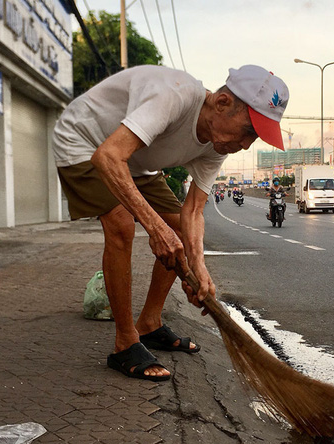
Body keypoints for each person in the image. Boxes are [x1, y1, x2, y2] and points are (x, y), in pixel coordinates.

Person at [53, 64, 289, 381]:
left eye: (255, 138)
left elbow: (192, 211)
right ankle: (125, 341)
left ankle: (149, 323)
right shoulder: (173, 96)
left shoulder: (218, 145)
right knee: (122, 223)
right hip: (86, 143)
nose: (246, 145)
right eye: (248, 131)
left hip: (136, 160)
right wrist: (154, 228)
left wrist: (199, 267)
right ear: (222, 103)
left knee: (176, 226)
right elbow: (109, 157)